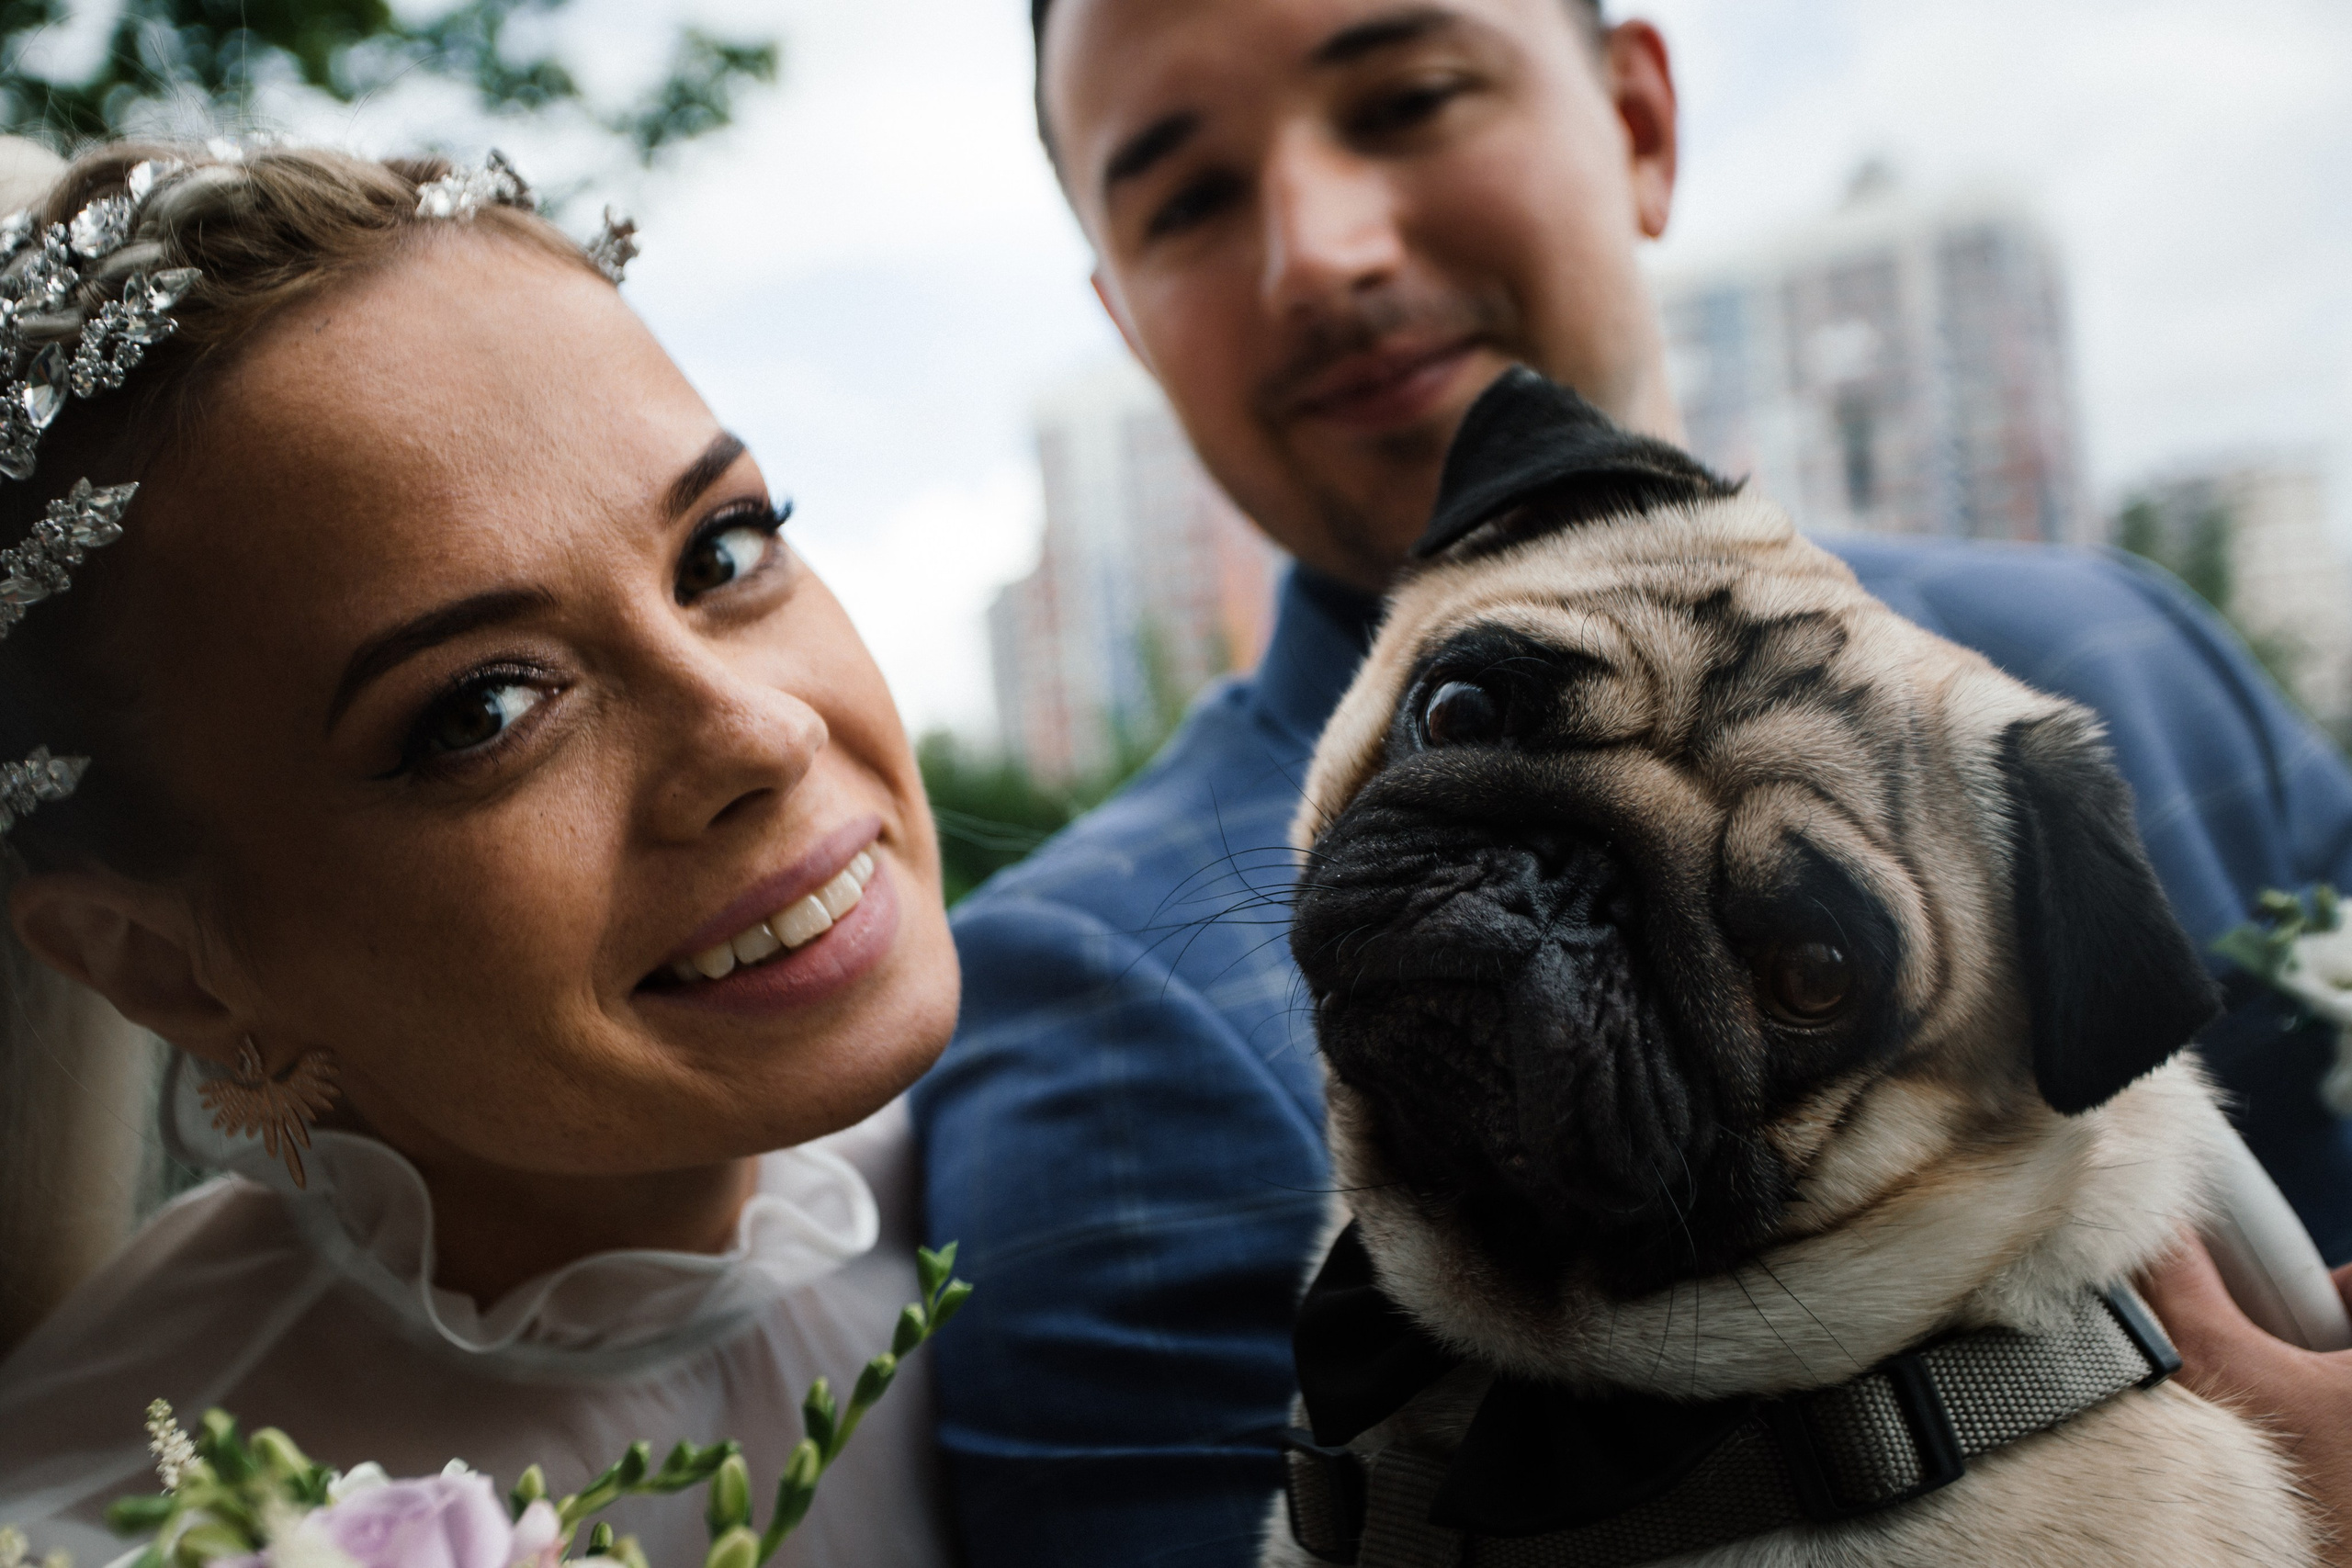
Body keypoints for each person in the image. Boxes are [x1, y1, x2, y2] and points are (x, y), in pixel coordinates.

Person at [910, 2, 2352, 1564]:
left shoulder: (2132, 650)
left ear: (1642, 120)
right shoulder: (1085, 1008)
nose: (1320, 248)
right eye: (1187, 198)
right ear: (1118, 309)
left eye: (1410, 98)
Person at [0, 142, 960, 1568]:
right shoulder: (113, 1530)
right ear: (162, 962)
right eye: (480, 710)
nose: (755, 735)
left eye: (721, 552)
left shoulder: (1094, 1132)